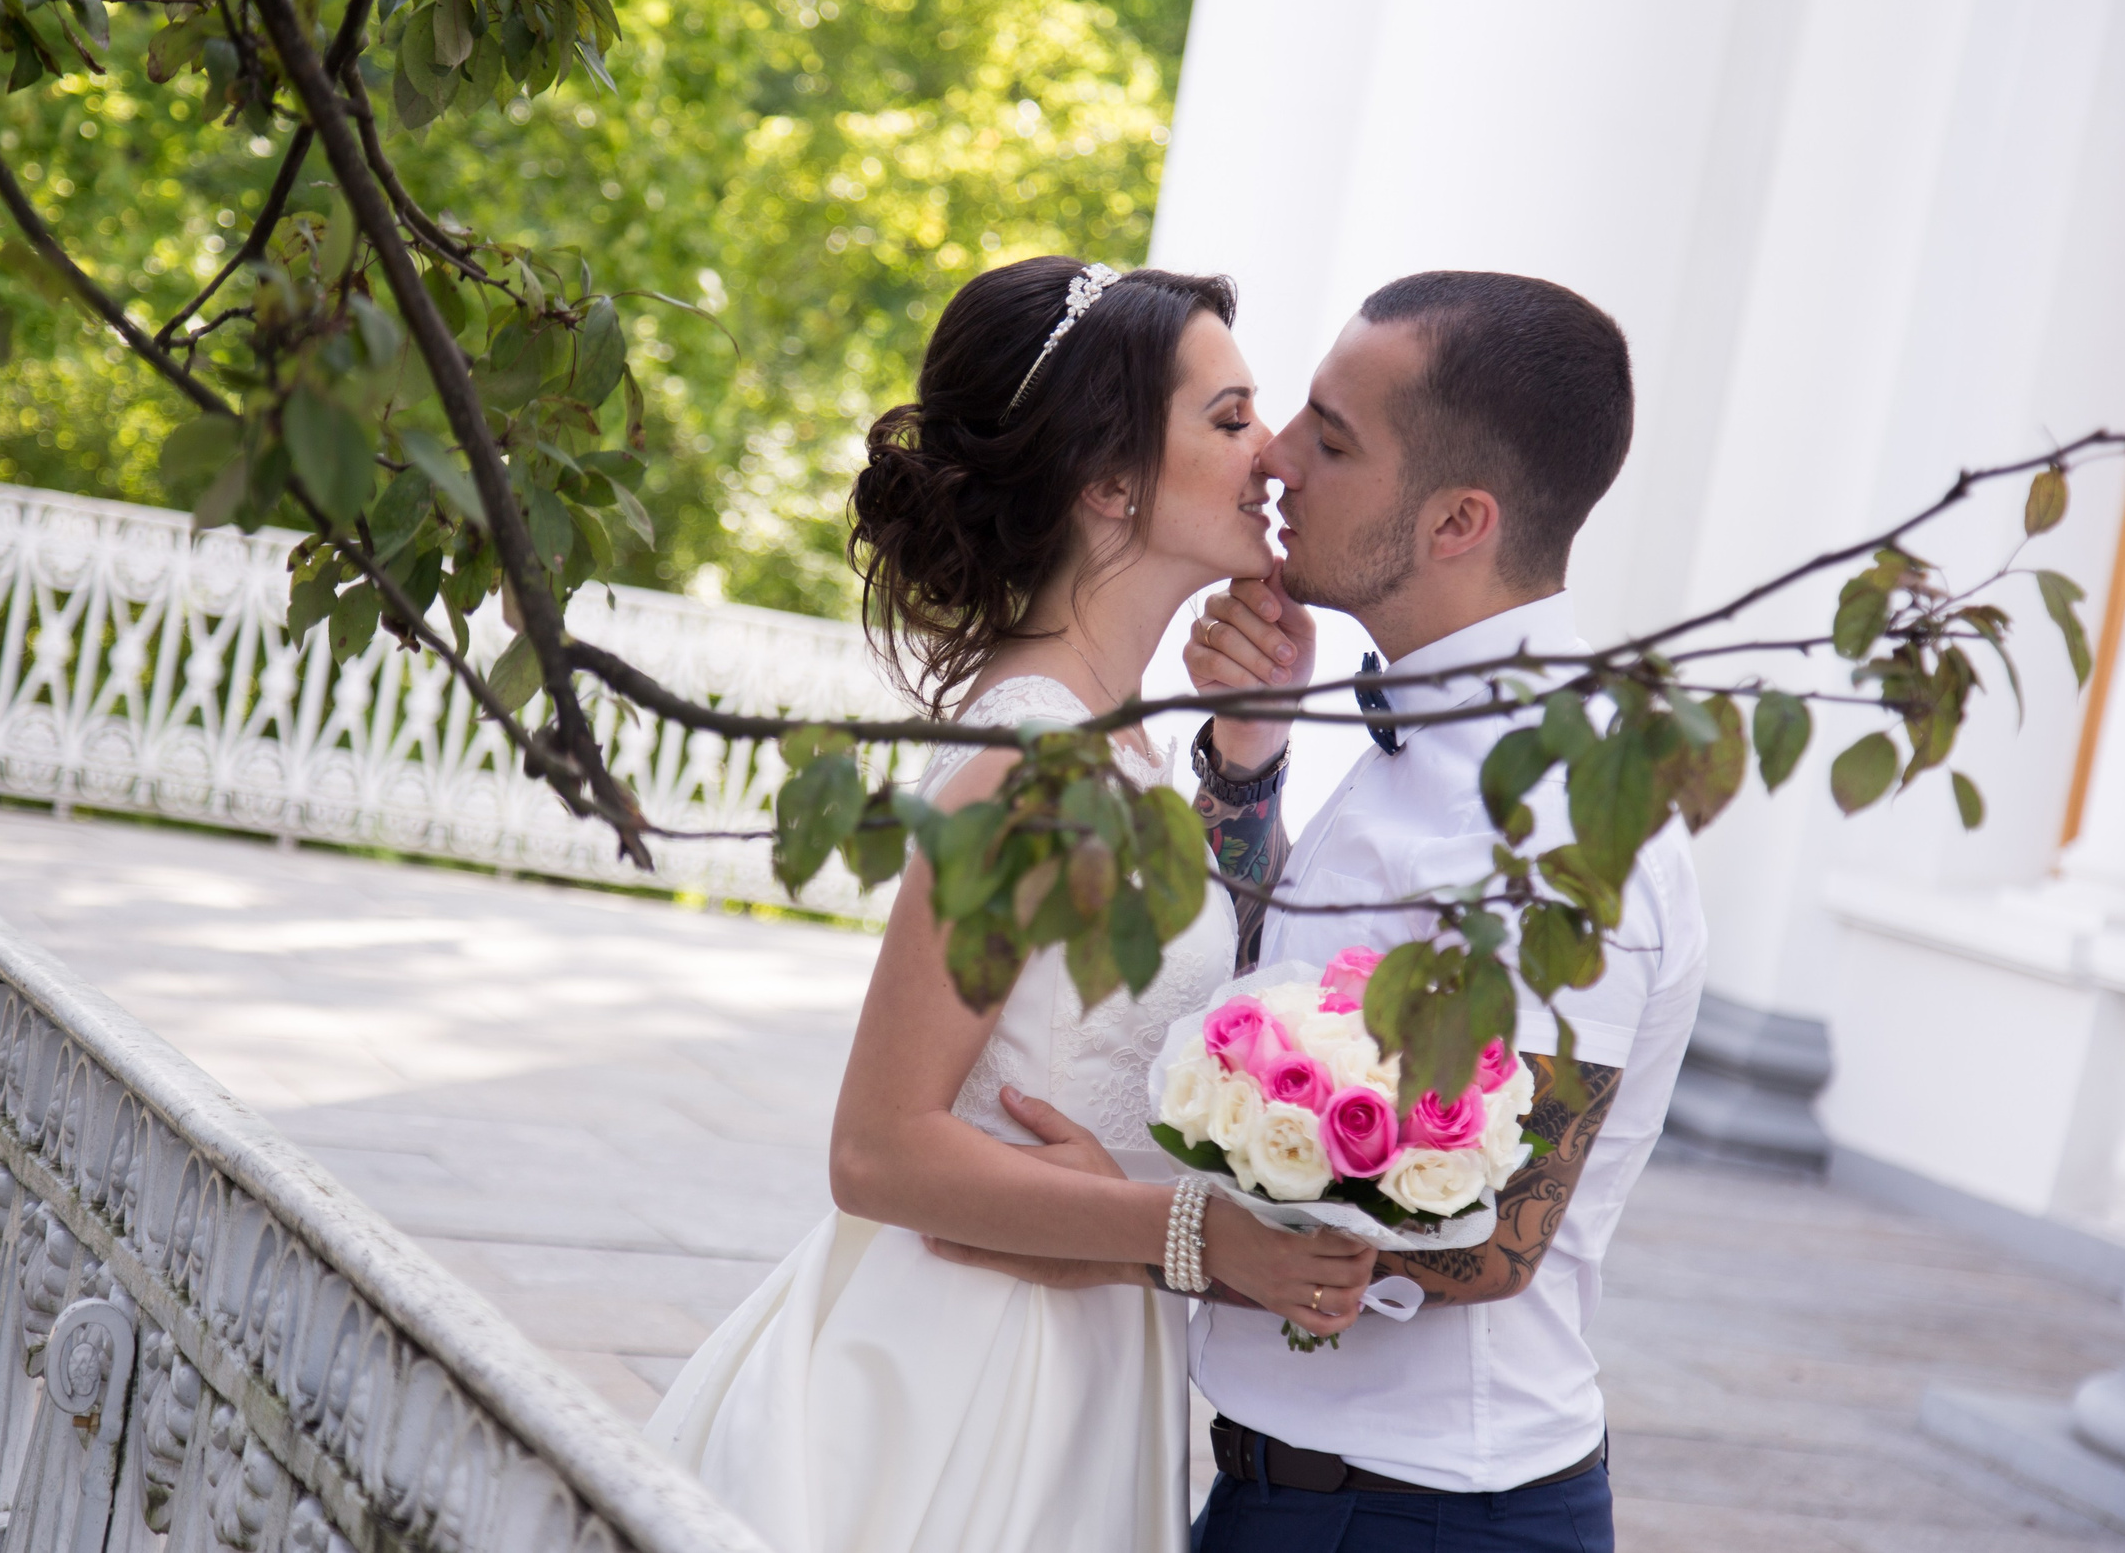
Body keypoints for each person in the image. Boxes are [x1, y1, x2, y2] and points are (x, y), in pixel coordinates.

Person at [644, 256, 1376, 1553]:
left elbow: (1172, 997)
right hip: (967, 1370)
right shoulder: (1034, 765)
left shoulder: (1118, 746)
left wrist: (1248, 748)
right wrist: (1197, 1232)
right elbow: (877, 1147)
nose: (1269, 455)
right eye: (1226, 419)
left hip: (1089, 1350)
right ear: (1107, 481)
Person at [1172, 271, 1710, 1551]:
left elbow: (1494, 1231)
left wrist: (1138, 1228)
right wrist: (1247, 758)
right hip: (1294, 1485)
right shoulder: (1429, 732)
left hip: (1427, 1516)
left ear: (1458, 519)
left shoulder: (1568, 817)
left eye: (1333, 437)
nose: (1280, 458)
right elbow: (1270, 989)